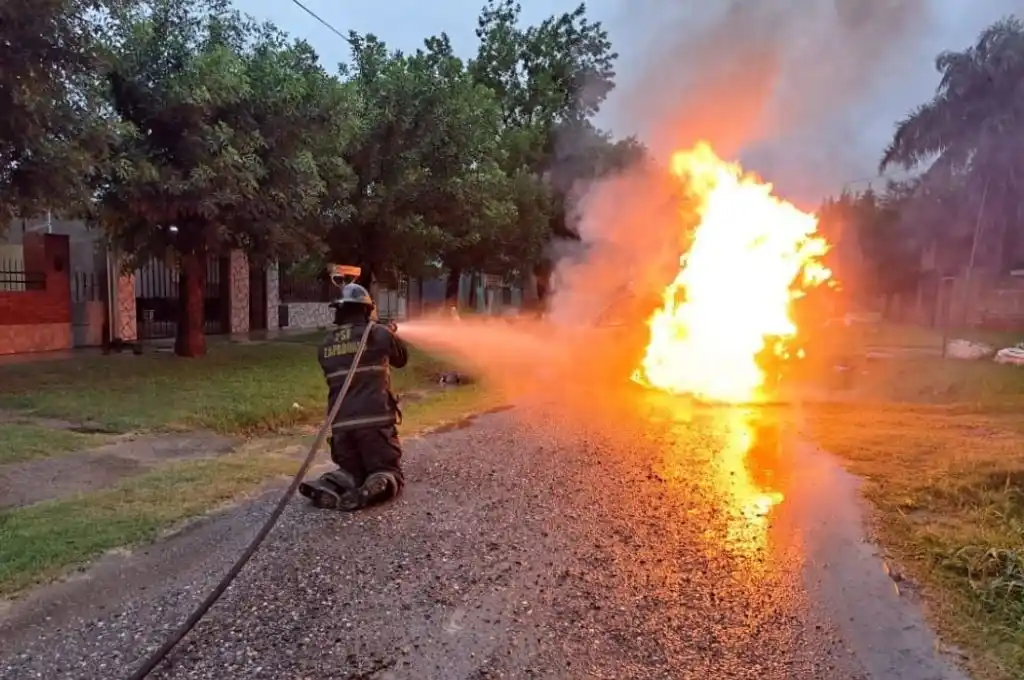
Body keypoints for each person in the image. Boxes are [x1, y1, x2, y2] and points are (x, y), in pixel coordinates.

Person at [298, 282, 409, 511]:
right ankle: (376, 485)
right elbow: (401, 359)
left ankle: (330, 485)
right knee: (386, 470)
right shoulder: (378, 334)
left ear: (339, 310)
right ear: (367, 310)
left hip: (341, 430)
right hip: (374, 426)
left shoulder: (326, 344)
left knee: (351, 471)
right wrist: (389, 333)